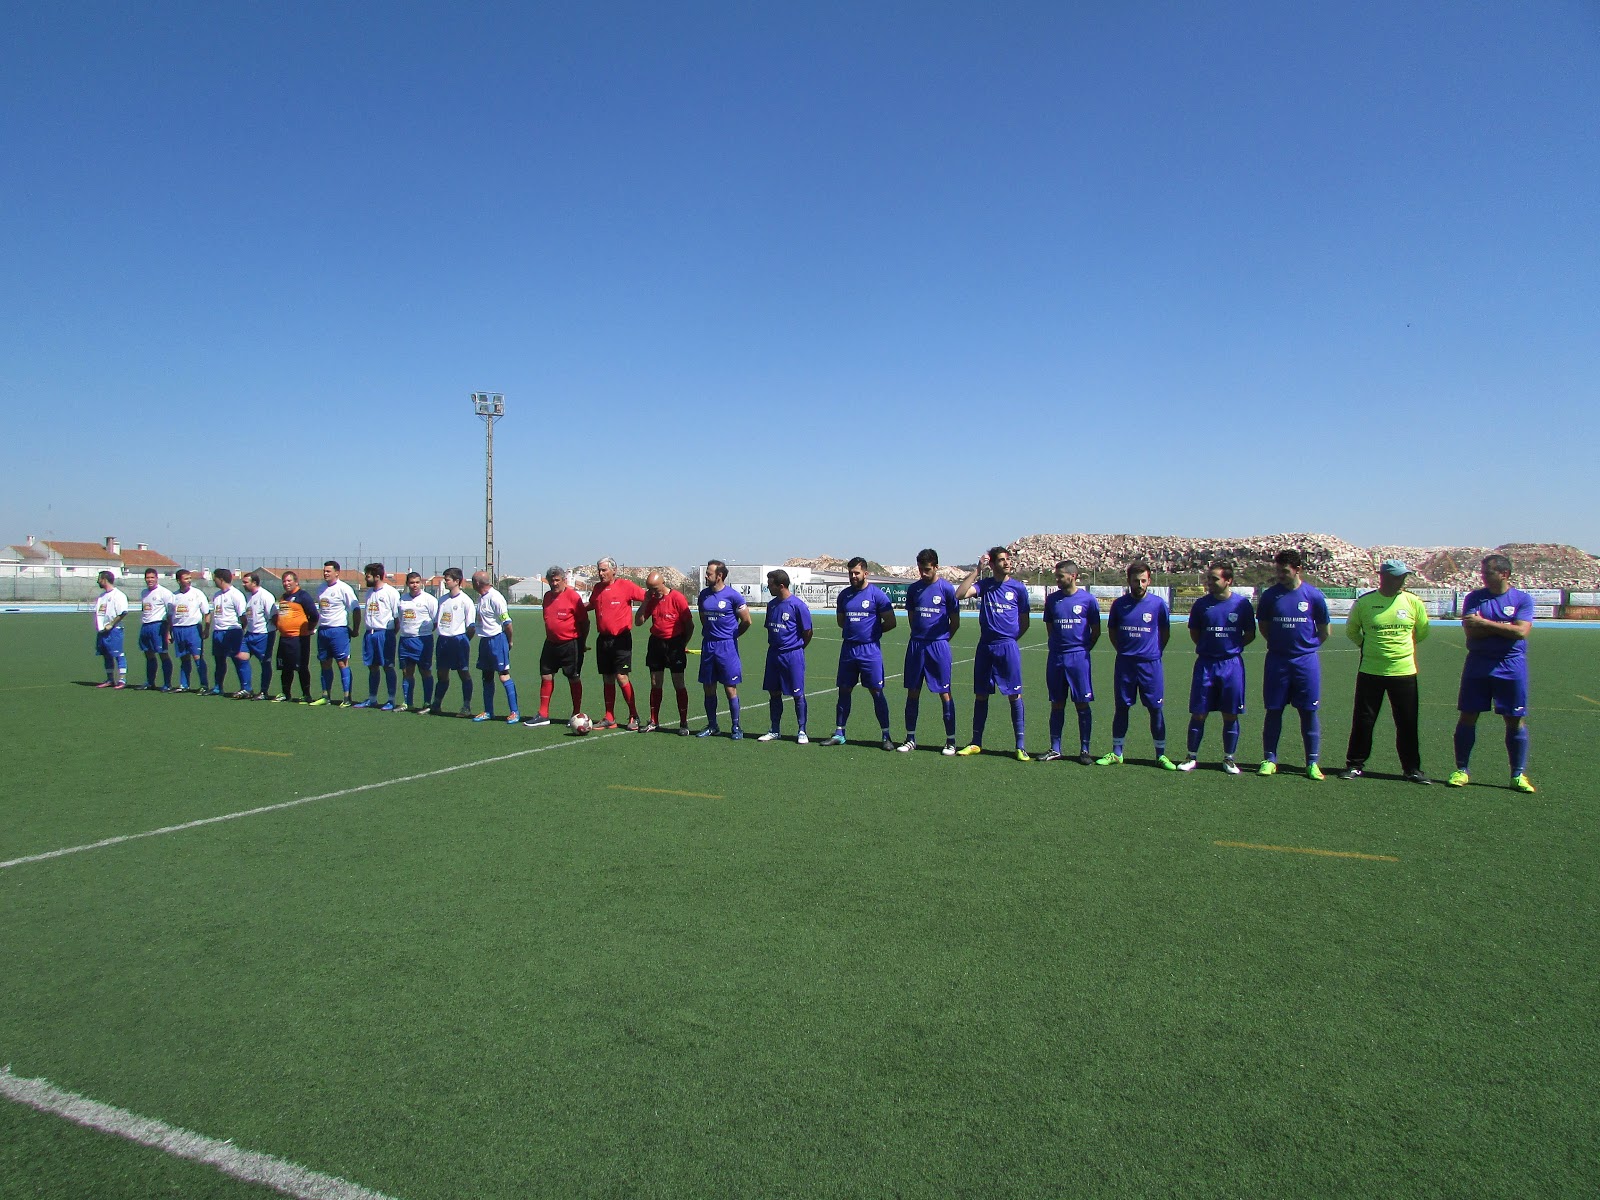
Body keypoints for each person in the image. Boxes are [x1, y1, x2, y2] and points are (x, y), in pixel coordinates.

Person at [1449, 554, 1536, 793]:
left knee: (1514, 719)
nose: (1483, 577)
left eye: (1488, 573)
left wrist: (1486, 624)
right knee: (1468, 715)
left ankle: (1517, 775)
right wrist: (1505, 627)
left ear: (1504, 574)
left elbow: (1521, 632)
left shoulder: (1522, 599)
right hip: (1478, 664)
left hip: (1511, 665)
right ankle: (1461, 770)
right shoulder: (1474, 598)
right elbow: (1471, 631)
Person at [1343, 559, 1431, 783]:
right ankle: (1354, 765)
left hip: (1404, 671)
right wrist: (1368, 647)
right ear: (1383, 577)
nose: (1401, 580)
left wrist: (1402, 649)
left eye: (1403, 577)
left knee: (1407, 722)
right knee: (1364, 720)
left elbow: (1422, 631)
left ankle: (1412, 769)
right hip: (1371, 670)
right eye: (1397, 576)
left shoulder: (1413, 602)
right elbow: (1352, 630)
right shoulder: (1365, 603)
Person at [1255, 549, 1330, 779]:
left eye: (1284, 571)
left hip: (1305, 662)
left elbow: (1324, 631)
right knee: (1273, 710)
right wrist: (1280, 645)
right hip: (1277, 661)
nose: (1280, 575)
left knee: (1308, 711)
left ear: (1298, 570)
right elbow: (1264, 627)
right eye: (1278, 570)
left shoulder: (1313, 596)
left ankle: (1312, 763)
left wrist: (1305, 648)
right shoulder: (1270, 596)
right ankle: (1269, 759)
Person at [1097, 561, 1177, 769]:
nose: (1139, 584)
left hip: (1150, 665)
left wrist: (1154, 652)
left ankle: (1161, 754)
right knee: (1122, 707)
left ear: (1149, 581)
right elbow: (1113, 631)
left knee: (1155, 709)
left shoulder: (1158, 604)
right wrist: (1123, 651)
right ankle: (1117, 753)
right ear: (1129, 581)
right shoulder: (1119, 605)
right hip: (1125, 664)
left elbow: (1165, 632)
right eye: (1136, 581)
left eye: (1143, 580)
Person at [1179, 561, 1255, 773]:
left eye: (1214, 579)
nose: (1209, 582)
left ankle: (1229, 758)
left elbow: (1250, 634)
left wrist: (1231, 648)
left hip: (1231, 665)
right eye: (1209, 578)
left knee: (1230, 713)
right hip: (1206, 664)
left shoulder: (1242, 605)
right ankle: (1191, 756)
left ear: (1228, 580)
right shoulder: (1201, 605)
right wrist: (1209, 648)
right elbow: (1195, 633)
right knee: (1199, 712)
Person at [955, 547, 1030, 760]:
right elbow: (959, 595)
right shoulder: (985, 585)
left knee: (1014, 694)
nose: (1007, 563)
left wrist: (1010, 640)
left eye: (1008, 559)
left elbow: (1024, 622)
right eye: (1001, 560)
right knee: (981, 694)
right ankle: (976, 742)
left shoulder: (1018, 588)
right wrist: (977, 571)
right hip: (985, 647)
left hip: (1007, 647)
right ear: (992, 564)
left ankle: (1020, 746)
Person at [827, 557, 898, 749]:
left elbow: (891, 622)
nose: (853, 576)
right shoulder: (844, 595)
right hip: (849, 649)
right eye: (850, 573)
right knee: (844, 690)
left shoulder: (877, 595)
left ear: (865, 573)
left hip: (870, 650)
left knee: (876, 691)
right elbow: (841, 621)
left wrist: (872, 633)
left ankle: (886, 736)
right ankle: (839, 732)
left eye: (856, 573)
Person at [899, 548, 960, 755]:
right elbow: (912, 618)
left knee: (944, 693)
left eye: (926, 569)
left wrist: (941, 640)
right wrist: (920, 636)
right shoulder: (914, 589)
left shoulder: (946, 589)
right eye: (920, 569)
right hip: (917, 646)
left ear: (936, 567)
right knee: (913, 691)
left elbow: (955, 622)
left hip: (938, 646)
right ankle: (910, 738)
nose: (923, 573)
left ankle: (950, 741)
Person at [1040, 561, 1100, 763]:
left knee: (1082, 703)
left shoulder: (1088, 600)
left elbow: (1096, 631)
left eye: (1060, 576)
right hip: (1056, 658)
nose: (1057, 579)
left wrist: (1082, 650)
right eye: (1056, 576)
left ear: (1073, 576)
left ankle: (1085, 750)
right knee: (1057, 703)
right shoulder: (1052, 600)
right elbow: (1050, 627)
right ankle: (1055, 748)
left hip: (1078, 658)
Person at [587, 557, 646, 730]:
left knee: (621, 676)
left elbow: (647, 597)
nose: (600, 573)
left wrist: (642, 615)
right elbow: (592, 604)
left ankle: (634, 715)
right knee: (607, 678)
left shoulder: (626, 586)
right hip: (603, 640)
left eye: (604, 570)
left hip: (621, 640)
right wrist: (574, 609)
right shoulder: (597, 588)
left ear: (614, 570)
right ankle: (609, 717)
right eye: (599, 570)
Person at [523, 566, 587, 727]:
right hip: (551, 643)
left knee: (573, 677)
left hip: (570, 643)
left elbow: (585, 622)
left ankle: (576, 714)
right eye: (551, 580)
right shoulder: (547, 597)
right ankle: (543, 714)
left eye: (557, 580)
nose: (554, 583)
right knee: (546, 675)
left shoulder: (573, 596)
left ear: (564, 580)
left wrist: (582, 643)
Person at [696, 559, 751, 739]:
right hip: (709, 645)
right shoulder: (703, 595)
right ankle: (713, 725)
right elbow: (703, 618)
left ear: (719, 576)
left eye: (709, 573)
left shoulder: (733, 596)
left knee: (730, 688)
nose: (706, 576)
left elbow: (747, 621)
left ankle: (736, 726)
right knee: (708, 687)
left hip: (727, 647)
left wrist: (732, 635)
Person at [758, 569, 813, 743]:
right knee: (774, 692)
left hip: (792, 655)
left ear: (781, 585)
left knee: (797, 693)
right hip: (774, 654)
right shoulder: (771, 605)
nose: (768, 587)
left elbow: (808, 632)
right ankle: (775, 729)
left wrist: (797, 648)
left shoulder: (798, 605)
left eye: (770, 584)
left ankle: (802, 731)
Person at [636, 571, 694, 734]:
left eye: (654, 589)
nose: (652, 592)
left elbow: (690, 625)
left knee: (678, 682)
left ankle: (683, 723)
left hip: (675, 643)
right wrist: (645, 601)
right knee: (655, 682)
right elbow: (638, 622)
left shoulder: (677, 598)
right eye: (649, 589)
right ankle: (653, 721)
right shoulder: (651, 599)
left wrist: (683, 644)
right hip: (656, 643)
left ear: (663, 583)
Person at [470, 570, 520, 723]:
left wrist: (509, 641)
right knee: (486, 676)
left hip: (497, 640)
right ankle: (488, 711)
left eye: (472, 581)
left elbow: (507, 623)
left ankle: (514, 712)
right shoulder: (481, 597)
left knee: (503, 675)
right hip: (485, 641)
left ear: (477, 583)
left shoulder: (495, 598)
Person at [429, 567, 477, 716]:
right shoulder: (442, 600)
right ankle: (436, 704)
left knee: (464, 673)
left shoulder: (465, 601)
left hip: (458, 640)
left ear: (457, 581)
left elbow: (471, 627)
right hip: (443, 641)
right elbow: (437, 621)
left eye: (447, 579)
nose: (445, 582)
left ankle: (466, 706)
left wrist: (464, 641)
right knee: (442, 674)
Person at [312, 560, 359, 706]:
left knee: (342, 663)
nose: (325, 573)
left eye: (328, 571)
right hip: (323, 630)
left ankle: (347, 697)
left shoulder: (344, 588)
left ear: (337, 573)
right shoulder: (321, 588)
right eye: (324, 571)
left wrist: (355, 629)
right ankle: (325, 696)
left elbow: (356, 609)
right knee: (324, 663)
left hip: (338, 630)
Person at [356, 562, 402, 710]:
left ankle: (391, 700)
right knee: (372, 667)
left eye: (368, 576)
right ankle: (372, 698)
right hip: (369, 634)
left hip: (384, 634)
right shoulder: (369, 592)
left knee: (388, 667)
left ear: (377, 576)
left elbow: (397, 618)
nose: (365, 578)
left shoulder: (391, 592)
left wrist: (390, 634)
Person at [272, 570, 318, 702]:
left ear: (296, 582)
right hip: (284, 638)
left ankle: (306, 694)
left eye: (289, 580)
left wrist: (309, 628)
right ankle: (285, 693)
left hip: (299, 638)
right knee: (285, 668)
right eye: (284, 581)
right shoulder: (283, 597)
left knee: (301, 667)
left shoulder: (303, 596)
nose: (286, 583)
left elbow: (314, 615)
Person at [397, 571, 438, 712]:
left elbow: (435, 621)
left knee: (425, 671)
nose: (414, 585)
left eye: (417, 582)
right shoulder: (402, 599)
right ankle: (407, 702)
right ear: (407, 584)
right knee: (406, 672)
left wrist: (424, 632)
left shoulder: (429, 600)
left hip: (422, 640)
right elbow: (400, 618)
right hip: (405, 640)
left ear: (421, 583)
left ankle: (427, 703)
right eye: (411, 582)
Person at [168, 568, 211, 693]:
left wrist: (206, 629)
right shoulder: (174, 596)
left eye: (190, 578)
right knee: (184, 658)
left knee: (197, 657)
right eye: (186, 579)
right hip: (178, 629)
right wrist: (169, 632)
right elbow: (170, 616)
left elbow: (207, 613)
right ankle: (184, 685)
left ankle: (204, 685)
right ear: (178, 581)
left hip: (193, 629)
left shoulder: (197, 594)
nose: (189, 581)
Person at [207, 569, 248, 696]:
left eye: (214, 578)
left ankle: (246, 688)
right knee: (219, 661)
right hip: (218, 632)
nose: (213, 580)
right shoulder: (216, 595)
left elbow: (243, 616)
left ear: (221, 579)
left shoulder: (236, 595)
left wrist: (241, 630)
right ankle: (218, 687)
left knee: (238, 659)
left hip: (232, 631)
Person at [238, 572, 278, 699]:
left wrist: (273, 630)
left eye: (246, 582)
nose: (243, 584)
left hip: (263, 635)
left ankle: (263, 692)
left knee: (265, 662)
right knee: (241, 657)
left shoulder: (265, 596)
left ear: (254, 583)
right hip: (249, 634)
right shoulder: (248, 596)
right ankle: (247, 689)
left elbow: (274, 616)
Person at [136, 567, 175, 691]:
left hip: (158, 626)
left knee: (163, 654)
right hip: (146, 626)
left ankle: (167, 684)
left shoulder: (164, 593)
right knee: (148, 654)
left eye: (152, 577)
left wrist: (169, 631)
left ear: (157, 578)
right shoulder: (144, 592)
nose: (150, 580)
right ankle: (150, 682)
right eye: (147, 578)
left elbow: (170, 613)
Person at [91, 570, 129, 688]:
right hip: (102, 631)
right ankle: (110, 679)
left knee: (118, 654)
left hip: (114, 630)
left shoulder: (118, 595)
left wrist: (111, 624)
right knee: (106, 655)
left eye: (99, 579)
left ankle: (122, 680)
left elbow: (123, 612)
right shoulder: (101, 597)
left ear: (104, 580)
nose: (98, 581)